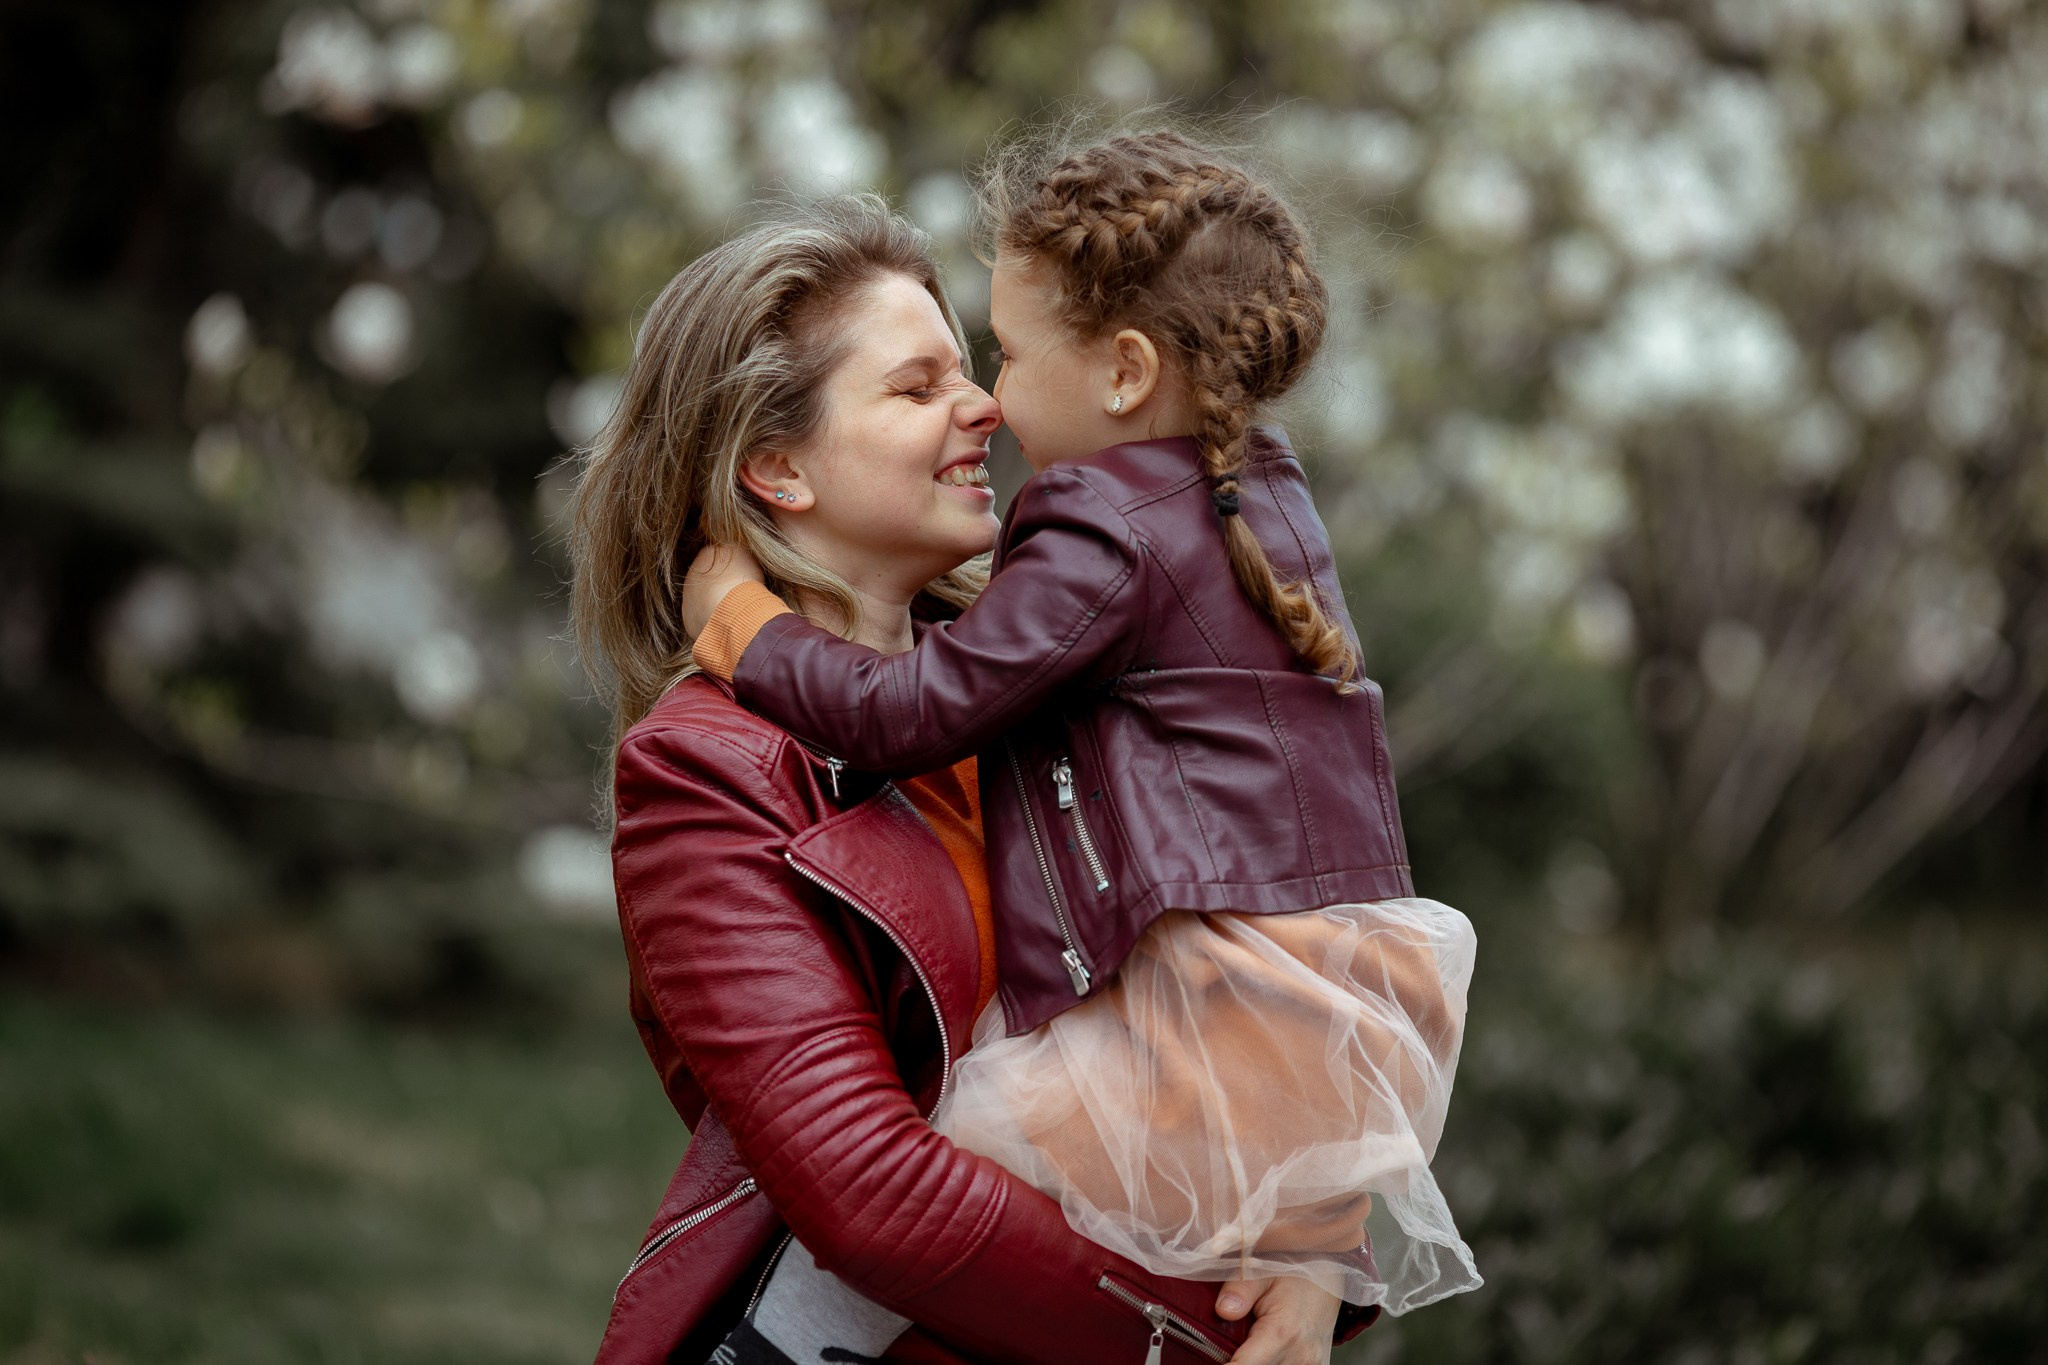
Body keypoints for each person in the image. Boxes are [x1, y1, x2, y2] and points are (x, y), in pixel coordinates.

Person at [682, 128, 1483, 1365]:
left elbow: (913, 710)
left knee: (971, 1137)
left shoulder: (1098, 529)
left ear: (1122, 373)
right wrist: (1312, 1227)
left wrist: (746, 629)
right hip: (1321, 1002)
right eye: (922, 386)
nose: (989, 402)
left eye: (999, 355)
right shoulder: (1257, 504)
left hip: (1206, 1009)